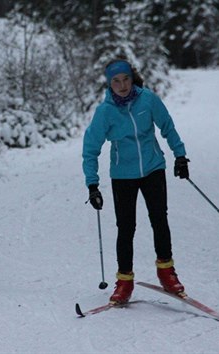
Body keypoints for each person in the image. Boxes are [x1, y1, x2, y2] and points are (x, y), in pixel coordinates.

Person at [82, 59, 190, 304]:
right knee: (126, 227)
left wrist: (180, 155)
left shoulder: (148, 99)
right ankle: (124, 282)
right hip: (123, 175)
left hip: (153, 168)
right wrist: (92, 184)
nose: (122, 85)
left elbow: (167, 126)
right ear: (109, 84)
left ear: (133, 78)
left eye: (126, 79)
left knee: (159, 219)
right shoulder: (105, 112)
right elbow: (90, 149)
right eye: (116, 81)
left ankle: (166, 272)